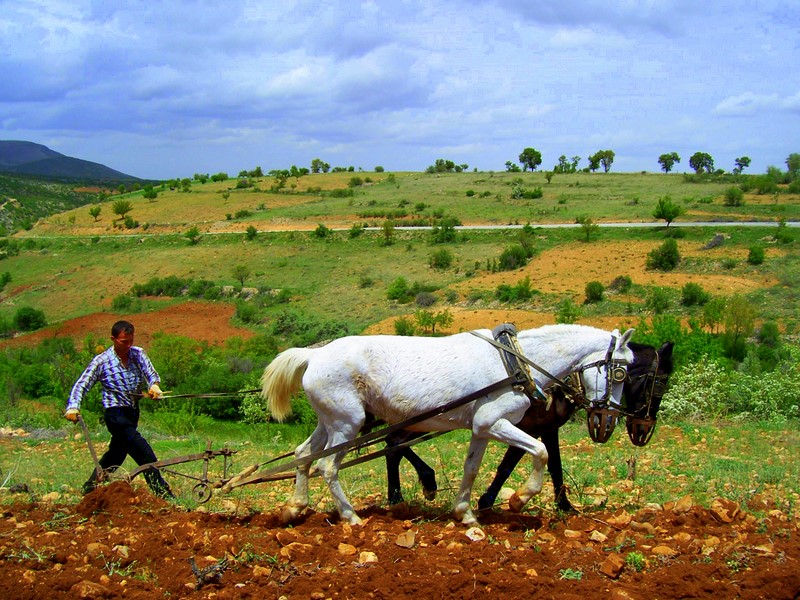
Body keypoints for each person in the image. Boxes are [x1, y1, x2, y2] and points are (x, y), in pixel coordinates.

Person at [64, 320, 175, 499]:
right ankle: (164, 495)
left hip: (132, 412)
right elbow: (82, 385)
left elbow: (150, 374)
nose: (128, 345)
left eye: (131, 340)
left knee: (116, 454)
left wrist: (154, 387)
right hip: (115, 415)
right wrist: (73, 407)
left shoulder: (138, 354)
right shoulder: (102, 361)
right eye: (124, 342)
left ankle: (90, 489)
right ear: (113, 339)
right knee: (144, 452)